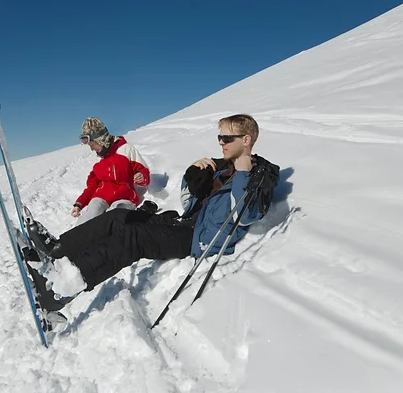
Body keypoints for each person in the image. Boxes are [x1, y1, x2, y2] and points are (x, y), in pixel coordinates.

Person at [25, 114, 279, 312]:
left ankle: (61, 291)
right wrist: (194, 174)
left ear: (246, 140)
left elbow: (243, 216)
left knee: (134, 236)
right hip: (182, 223)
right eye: (219, 137)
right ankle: (57, 250)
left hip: (196, 239)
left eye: (227, 138)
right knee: (119, 217)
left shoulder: (259, 177)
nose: (221, 143)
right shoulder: (222, 167)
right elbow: (189, 201)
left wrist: (244, 174)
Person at [72, 117, 151, 225]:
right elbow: (92, 185)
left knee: (113, 216)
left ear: (101, 139)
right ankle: (72, 240)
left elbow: (143, 171)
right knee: (91, 213)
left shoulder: (125, 149)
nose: (92, 149)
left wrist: (141, 176)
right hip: (101, 197)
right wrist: (79, 204)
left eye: (92, 145)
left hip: (124, 197)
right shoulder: (99, 159)